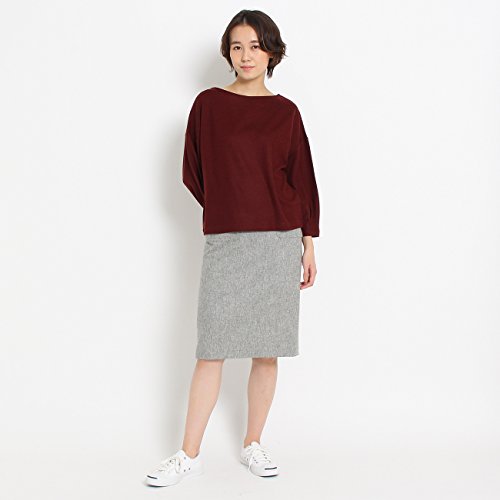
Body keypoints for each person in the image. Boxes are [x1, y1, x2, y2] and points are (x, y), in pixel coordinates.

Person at [144, 9, 320, 488]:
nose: (246, 56)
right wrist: (229, 206)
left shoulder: (286, 113)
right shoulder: (208, 105)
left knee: (267, 349)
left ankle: (253, 443)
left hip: (279, 239)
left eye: (256, 47)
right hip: (226, 240)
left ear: (272, 53)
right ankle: (188, 454)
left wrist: (307, 242)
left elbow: (301, 179)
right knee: (212, 349)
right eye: (237, 47)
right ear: (228, 52)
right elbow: (193, 171)